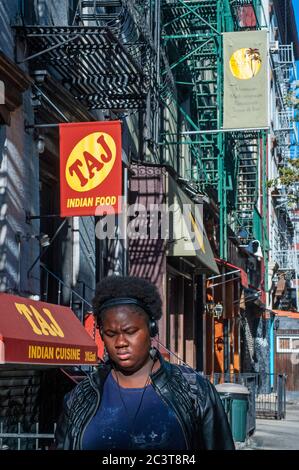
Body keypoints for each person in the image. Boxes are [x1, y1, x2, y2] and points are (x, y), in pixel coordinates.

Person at [54, 275, 235, 450]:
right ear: (101, 334)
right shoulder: (79, 399)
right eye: (111, 334)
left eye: (130, 331)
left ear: (152, 329)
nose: (121, 342)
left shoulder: (195, 392)